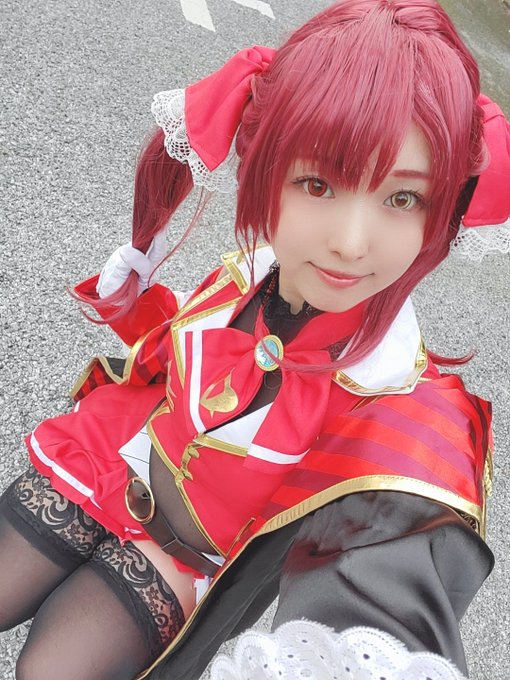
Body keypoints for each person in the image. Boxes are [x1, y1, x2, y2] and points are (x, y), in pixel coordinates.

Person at [1, 1, 509, 679]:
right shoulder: (246, 273)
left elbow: (386, 598)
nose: (350, 243)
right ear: (265, 169)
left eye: (402, 198)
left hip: (183, 559)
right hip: (110, 456)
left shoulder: (401, 410)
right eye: (318, 183)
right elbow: (179, 359)